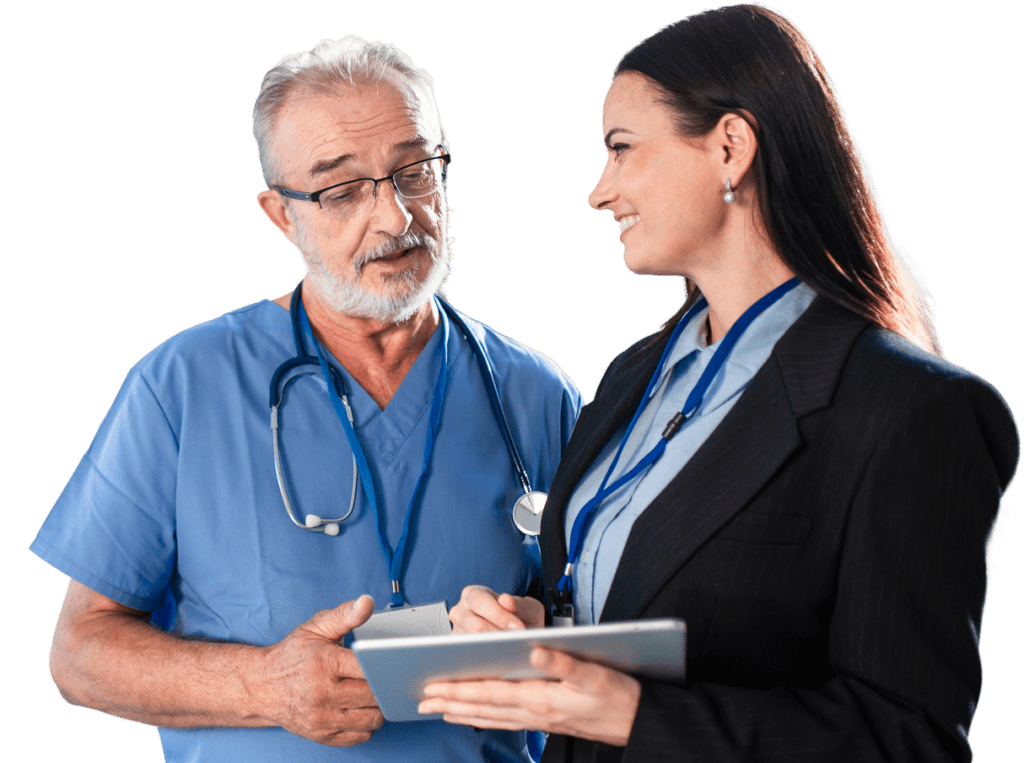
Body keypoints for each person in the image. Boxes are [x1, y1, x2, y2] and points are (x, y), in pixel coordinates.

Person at [417, 3, 1020, 761]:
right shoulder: (637, 373)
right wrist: (537, 637)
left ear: (730, 147)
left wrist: (636, 713)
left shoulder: (912, 412)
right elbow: (636, 601)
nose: (599, 192)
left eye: (622, 148)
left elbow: (910, 740)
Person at [28, 35, 581, 763]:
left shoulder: (537, 394)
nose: (395, 218)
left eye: (415, 171)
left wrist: (539, 628)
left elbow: (603, 623)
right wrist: (264, 686)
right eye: (341, 189)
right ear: (282, 215)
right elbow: (79, 653)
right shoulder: (182, 386)